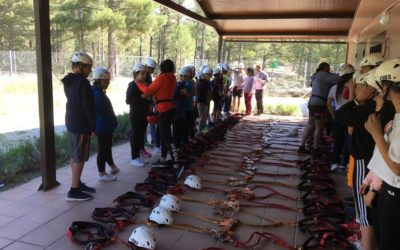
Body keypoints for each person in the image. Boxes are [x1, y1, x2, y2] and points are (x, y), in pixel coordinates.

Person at [335, 63, 395, 250]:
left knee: (367, 211)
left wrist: (374, 187)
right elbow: (342, 117)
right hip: (372, 169)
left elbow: (393, 161)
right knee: (367, 210)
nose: (360, 88)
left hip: (370, 165)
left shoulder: (384, 112)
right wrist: (356, 100)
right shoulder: (371, 107)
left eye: (363, 85)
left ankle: (366, 245)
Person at [362, 58, 400, 250]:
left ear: (388, 86)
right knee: (383, 238)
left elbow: (397, 167)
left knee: (389, 243)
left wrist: (376, 133)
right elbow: (387, 154)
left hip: (396, 192)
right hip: (387, 188)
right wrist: (371, 178)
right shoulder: (396, 116)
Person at [62, 51, 96, 201]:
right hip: (81, 123)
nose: (90, 71)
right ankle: (73, 190)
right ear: (81, 66)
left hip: (71, 121)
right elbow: (88, 106)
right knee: (79, 157)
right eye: (89, 67)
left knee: (75, 155)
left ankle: (78, 183)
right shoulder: (83, 82)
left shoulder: (69, 80)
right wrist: (92, 126)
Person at [135, 59, 179, 168]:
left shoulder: (162, 77)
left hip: (164, 110)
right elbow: (158, 88)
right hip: (171, 109)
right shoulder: (172, 78)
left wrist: (138, 83)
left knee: (168, 138)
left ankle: (176, 162)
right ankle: (163, 158)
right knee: (165, 136)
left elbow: (149, 91)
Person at [298, 62, 340, 156]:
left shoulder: (315, 75)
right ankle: (315, 148)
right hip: (320, 104)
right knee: (318, 127)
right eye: (328, 68)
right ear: (325, 68)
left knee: (310, 125)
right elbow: (340, 78)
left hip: (312, 102)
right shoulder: (325, 75)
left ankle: (301, 146)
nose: (329, 70)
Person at [92, 67, 119, 181]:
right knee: (103, 149)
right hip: (102, 127)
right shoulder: (97, 95)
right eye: (106, 81)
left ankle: (112, 166)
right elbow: (104, 113)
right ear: (100, 80)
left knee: (106, 147)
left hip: (105, 126)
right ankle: (101, 174)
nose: (108, 83)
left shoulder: (97, 92)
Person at [327, 64, 354, 171]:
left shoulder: (334, 87)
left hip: (338, 116)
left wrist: (333, 115)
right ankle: (344, 163)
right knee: (348, 140)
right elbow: (352, 102)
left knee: (337, 140)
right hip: (349, 116)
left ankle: (334, 163)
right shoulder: (353, 86)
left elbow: (328, 103)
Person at [126, 63, 150, 167]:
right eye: (142, 73)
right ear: (136, 74)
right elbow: (128, 100)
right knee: (136, 135)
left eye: (145, 73)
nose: (144, 76)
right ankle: (134, 157)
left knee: (140, 135)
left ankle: (138, 156)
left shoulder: (145, 84)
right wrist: (142, 97)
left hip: (144, 113)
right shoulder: (132, 85)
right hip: (136, 113)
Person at [173, 67, 191, 146]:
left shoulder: (184, 85)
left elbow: (188, 95)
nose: (185, 78)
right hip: (177, 110)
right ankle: (176, 144)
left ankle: (179, 143)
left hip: (182, 109)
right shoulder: (178, 85)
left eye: (187, 76)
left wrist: (185, 93)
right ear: (180, 76)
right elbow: (174, 96)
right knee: (176, 128)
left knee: (181, 127)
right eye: (184, 76)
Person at [196, 66, 212, 133]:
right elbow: (208, 93)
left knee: (203, 117)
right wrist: (209, 97)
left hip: (203, 101)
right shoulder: (203, 83)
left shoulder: (199, 83)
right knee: (202, 117)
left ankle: (203, 131)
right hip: (201, 101)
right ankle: (199, 132)